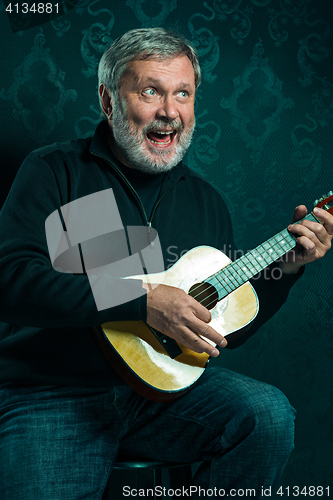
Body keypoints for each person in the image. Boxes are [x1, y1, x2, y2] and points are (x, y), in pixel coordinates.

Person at [0, 28, 332, 500]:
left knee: (266, 413)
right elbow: (11, 281)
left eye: (183, 94)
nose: (169, 111)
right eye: (151, 91)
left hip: (160, 400)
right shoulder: (54, 171)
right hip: (51, 393)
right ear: (109, 99)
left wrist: (291, 269)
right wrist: (141, 301)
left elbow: (219, 328)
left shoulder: (206, 202)